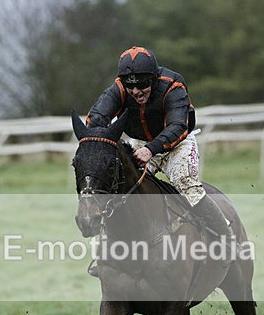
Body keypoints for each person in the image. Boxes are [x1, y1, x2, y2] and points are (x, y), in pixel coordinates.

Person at [86, 46, 235, 244]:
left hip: (178, 144)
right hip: (140, 143)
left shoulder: (173, 85)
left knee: (187, 185)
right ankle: (105, 250)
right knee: (117, 188)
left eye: (143, 85)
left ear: (154, 78)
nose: (136, 92)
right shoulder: (119, 89)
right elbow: (96, 118)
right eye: (131, 87)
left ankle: (227, 239)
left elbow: (178, 126)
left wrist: (151, 149)